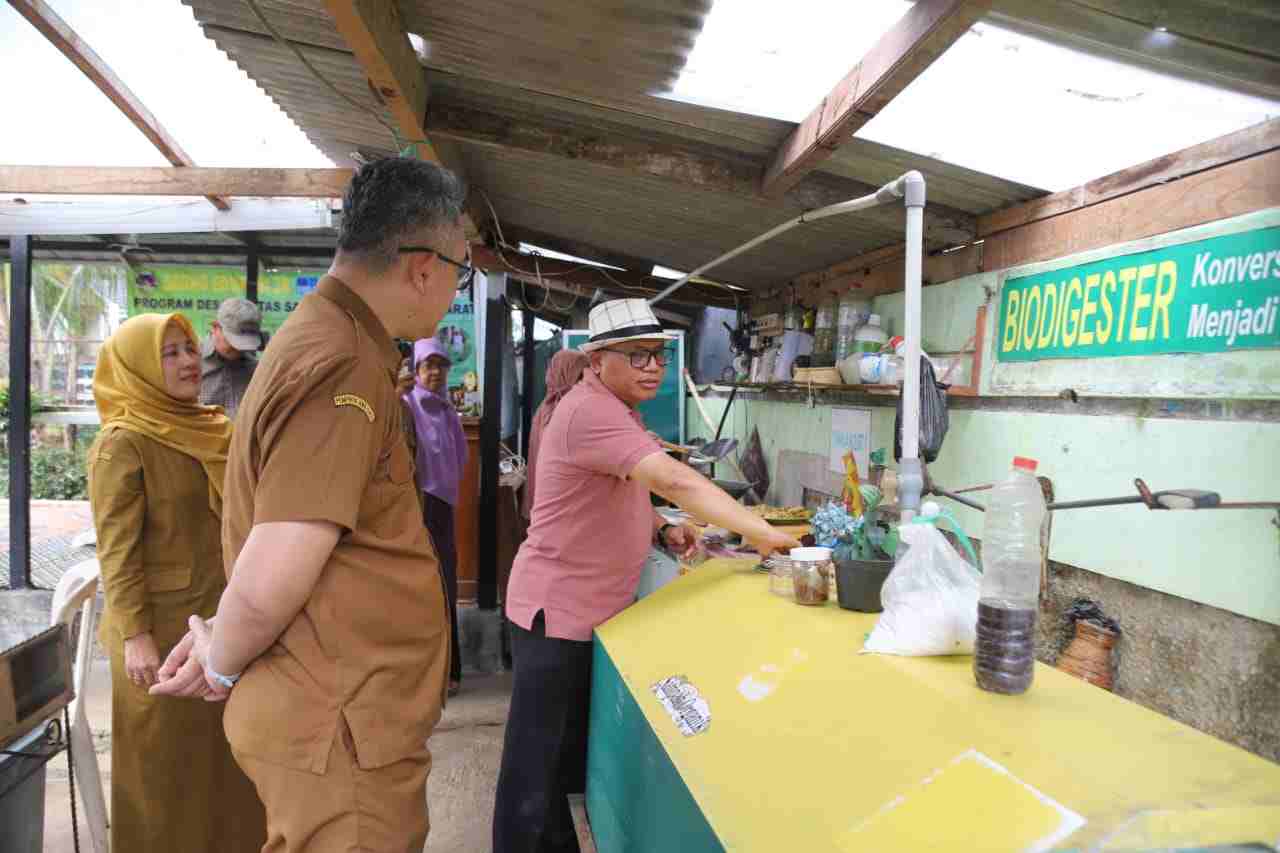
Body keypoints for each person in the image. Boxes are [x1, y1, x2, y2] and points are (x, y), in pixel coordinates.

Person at [151, 157, 469, 852]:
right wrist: (221, 660)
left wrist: (224, 642)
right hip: (339, 723)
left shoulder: (326, 337)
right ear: (424, 267)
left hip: (334, 709)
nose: (456, 288)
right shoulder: (343, 361)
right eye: (461, 269)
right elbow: (280, 558)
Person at [493, 299, 802, 853]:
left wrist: (660, 528)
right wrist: (760, 531)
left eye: (658, 355)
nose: (654, 367)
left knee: (559, 767)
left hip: (586, 611)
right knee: (533, 774)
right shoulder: (591, 410)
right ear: (598, 360)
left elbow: (617, 486)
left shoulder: (618, 408)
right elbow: (673, 481)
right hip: (556, 611)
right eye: (637, 355)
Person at [87, 313, 265, 853]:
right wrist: (135, 635)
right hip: (158, 641)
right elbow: (116, 553)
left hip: (220, 624)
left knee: (227, 765)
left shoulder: (210, 426)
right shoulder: (123, 443)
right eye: (169, 353)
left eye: (189, 348)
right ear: (137, 366)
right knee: (164, 776)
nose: (188, 361)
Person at [405, 337, 469, 696]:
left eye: (441, 365)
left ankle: (450, 671)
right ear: (415, 369)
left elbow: (459, 459)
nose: (435, 372)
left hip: (441, 507)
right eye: (428, 365)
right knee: (417, 588)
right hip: (414, 505)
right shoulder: (405, 405)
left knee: (445, 585)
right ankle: (422, 676)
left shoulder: (447, 411)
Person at [521, 349, 589, 519]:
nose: (585, 380)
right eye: (580, 375)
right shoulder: (564, 407)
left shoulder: (547, 405)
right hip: (561, 497)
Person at [199, 297, 264, 417]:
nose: (238, 349)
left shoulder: (256, 370)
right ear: (215, 327)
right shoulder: (189, 363)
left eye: (246, 343)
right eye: (233, 341)